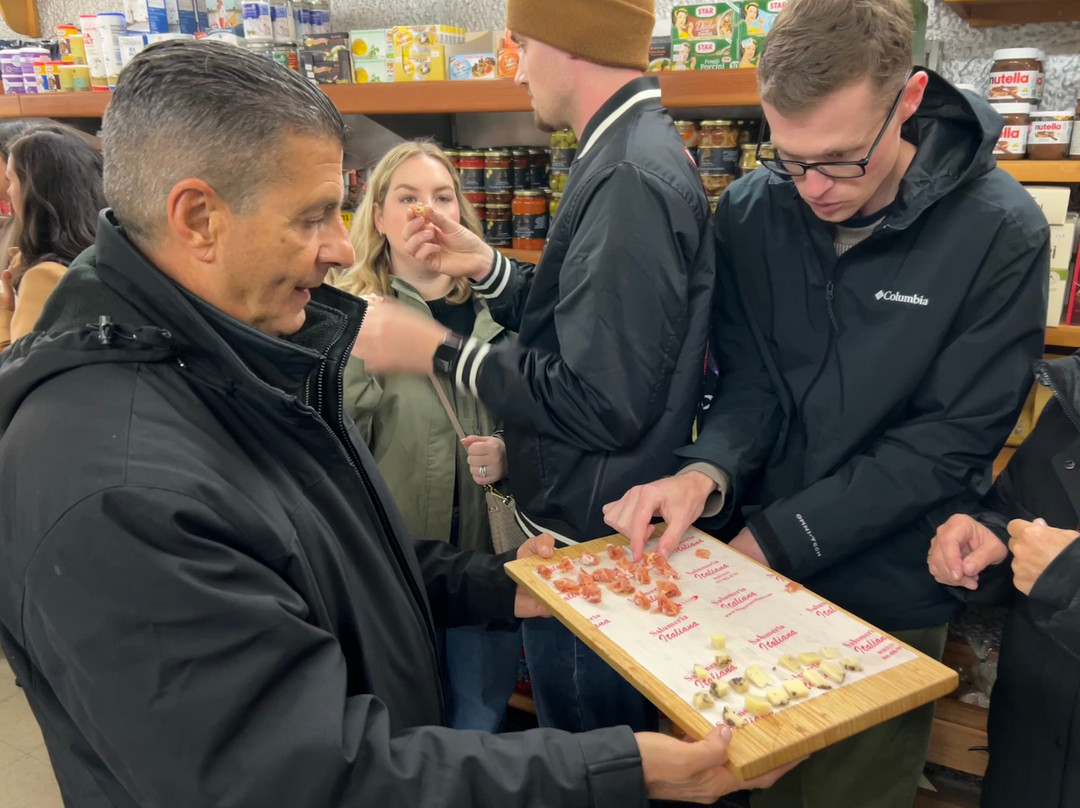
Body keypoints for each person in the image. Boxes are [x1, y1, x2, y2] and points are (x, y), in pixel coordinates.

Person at [0, 39, 785, 808]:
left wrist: (499, 583)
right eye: (312, 218)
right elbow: (309, 777)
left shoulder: (232, 362)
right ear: (198, 217)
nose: (342, 245)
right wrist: (623, 770)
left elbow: (322, 553)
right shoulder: (117, 491)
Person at [604, 0, 1048, 806]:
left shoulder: (1001, 229)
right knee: (726, 784)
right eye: (790, 158)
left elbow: (947, 442)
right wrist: (705, 472)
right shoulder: (749, 211)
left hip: (884, 583)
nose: (813, 188)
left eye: (841, 160)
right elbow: (750, 385)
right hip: (748, 567)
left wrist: (774, 539)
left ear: (909, 101)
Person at [352, 0, 715, 738]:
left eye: (519, 44)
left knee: (591, 762)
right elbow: (585, 334)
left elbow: (596, 396)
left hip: (591, 544)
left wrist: (437, 351)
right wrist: (489, 268)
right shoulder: (624, 154)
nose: (514, 68)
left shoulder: (628, 179)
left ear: (568, 41)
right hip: (588, 533)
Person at [334, 141, 521, 733]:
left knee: (478, 721)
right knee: (400, 725)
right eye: (407, 198)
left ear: (461, 212)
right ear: (380, 215)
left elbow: (547, 413)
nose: (426, 212)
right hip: (395, 562)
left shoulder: (506, 309)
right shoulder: (342, 312)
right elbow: (334, 449)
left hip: (487, 562)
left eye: (442, 196)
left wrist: (511, 453)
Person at [928, 354, 1080, 808]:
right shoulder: (1069, 400)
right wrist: (989, 541)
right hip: (1029, 750)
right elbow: (1018, 512)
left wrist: (1068, 578)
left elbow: (1060, 569)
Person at [0, 128, 104, 351]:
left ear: (33, 192)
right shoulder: (109, 249)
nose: (8, 191)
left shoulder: (44, 277)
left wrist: (5, 313)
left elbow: (16, 373)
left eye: (11, 180)